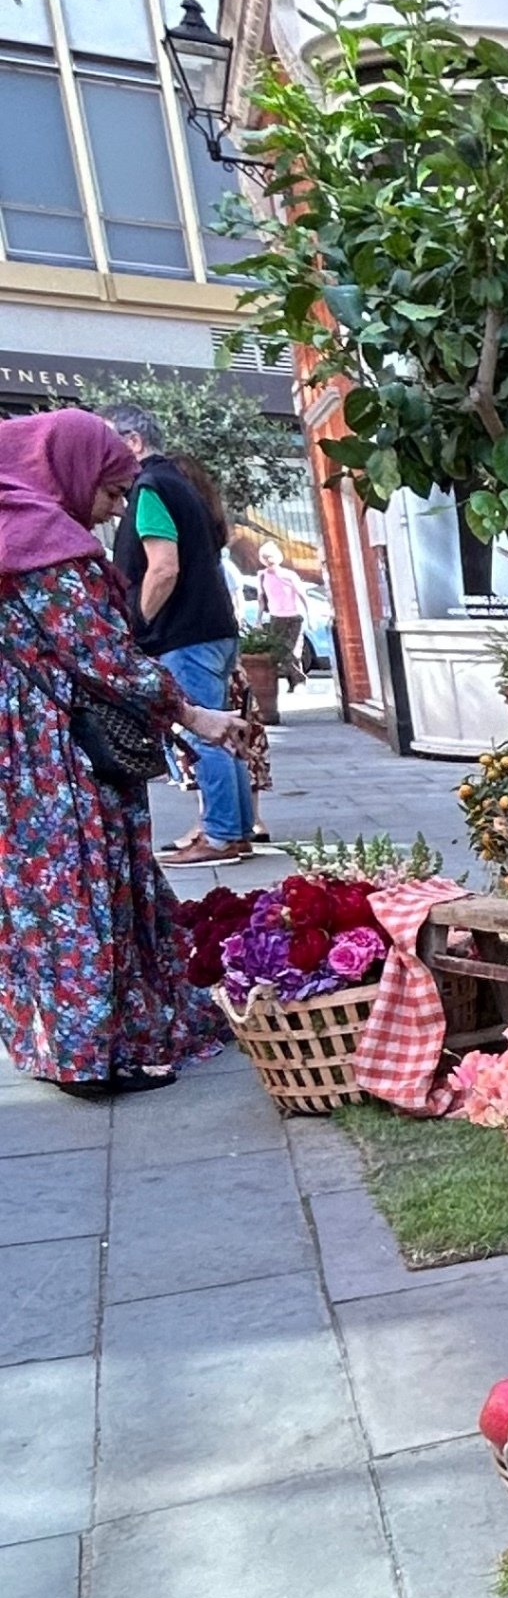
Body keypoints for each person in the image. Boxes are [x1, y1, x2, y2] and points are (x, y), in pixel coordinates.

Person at [0, 409, 244, 1094]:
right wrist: (190, 712)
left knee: (36, 899)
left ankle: (62, 1043)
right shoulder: (46, 542)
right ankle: (88, 1058)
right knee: (84, 889)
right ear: (68, 469)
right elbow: (102, 657)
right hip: (62, 750)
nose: (111, 514)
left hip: (18, 744)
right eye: (110, 494)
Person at [112, 430, 256, 861]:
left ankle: (221, 835)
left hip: (185, 634)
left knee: (205, 732)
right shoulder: (181, 483)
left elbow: (163, 568)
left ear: (132, 440)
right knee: (220, 729)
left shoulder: (150, 487)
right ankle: (233, 828)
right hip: (212, 628)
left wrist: (136, 622)